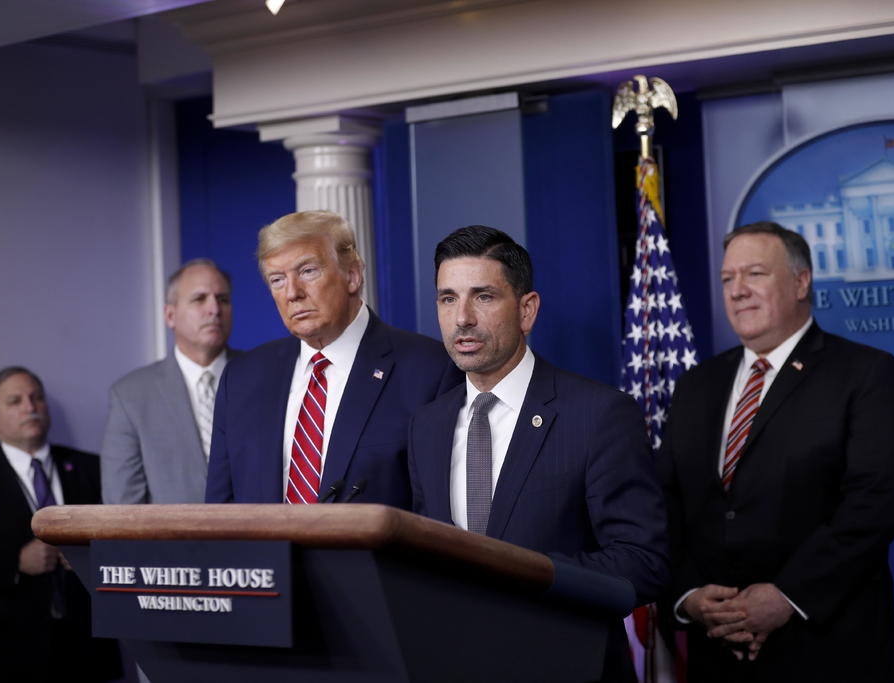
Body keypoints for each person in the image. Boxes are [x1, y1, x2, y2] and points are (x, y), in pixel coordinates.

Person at [407, 225, 668, 681]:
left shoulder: (599, 414)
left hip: (566, 665)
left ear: (527, 310)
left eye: (483, 296)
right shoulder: (426, 425)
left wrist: (516, 575)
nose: (462, 318)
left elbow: (642, 562)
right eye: (448, 299)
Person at [660, 222, 894, 683]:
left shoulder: (866, 373)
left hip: (826, 649)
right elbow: (668, 505)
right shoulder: (695, 386)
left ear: (801, 282)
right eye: (727, 279)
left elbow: (875, 504)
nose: (737, 291)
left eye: (754, 274)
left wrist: (785, 596)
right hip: (715, 653)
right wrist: (690, 596)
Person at [206, 210, 462, 506]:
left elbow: (438, 513)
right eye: (277, 279)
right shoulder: (242, 379)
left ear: (352, 275)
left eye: (307, 271)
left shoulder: (430, 370)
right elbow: (219, 512)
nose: (292, 293)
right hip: (266, 554)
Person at [0, 367, 120, 683]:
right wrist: (14, 562)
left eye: (36, 398)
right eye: (15, 401)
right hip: (2, 654)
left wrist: (89, 555)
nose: (30, 407)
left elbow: (123, 537)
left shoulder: (93, 469)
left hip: (85, 650)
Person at [102, 258, 237, 504]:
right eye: (199, 299)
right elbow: (122, 508)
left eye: (223, 299)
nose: (214, 310)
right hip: (173, 542)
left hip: (258, 539)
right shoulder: (130, 395)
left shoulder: (264, 377)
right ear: (170, 315)